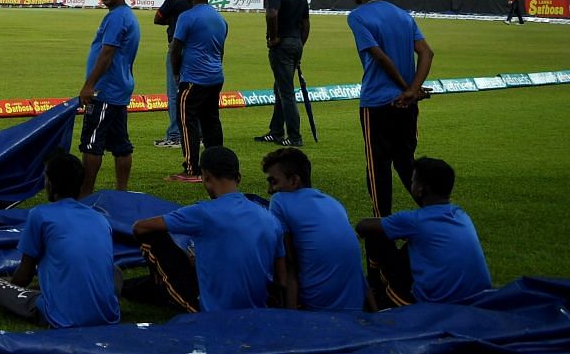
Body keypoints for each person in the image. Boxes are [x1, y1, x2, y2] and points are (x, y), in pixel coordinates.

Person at [0, 153, 121, 328]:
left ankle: (48, 298)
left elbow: (24, 275)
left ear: (50, 183)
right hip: (107, 315)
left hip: (61, 316)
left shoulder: (40, 215)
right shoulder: (100, 218)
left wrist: (10, 287)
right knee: (115, 270)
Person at [132, 147, 285, 313]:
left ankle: (155, 286)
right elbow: (281, 276)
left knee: (152, 237)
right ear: (238, 178)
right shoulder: (269, 218)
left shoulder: (202, 212)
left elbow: (140, 227)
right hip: (259, 306)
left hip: (213, 310)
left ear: (206, 177)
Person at [348, 0, 433, 216]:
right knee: (406, 163)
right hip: (407, 104)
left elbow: (380, 57)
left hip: (377, 103)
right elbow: (426, 53)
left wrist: (408, 88)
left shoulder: (357, 16)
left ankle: (381, 225)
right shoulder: (402, 15)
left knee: (377, 167)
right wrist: (412, 91)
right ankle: (435, 213)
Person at [357, 156, 492, 307]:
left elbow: (363, 226)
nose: (411, 184)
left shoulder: (415, 221)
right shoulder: (461, 215)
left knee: (377, 234)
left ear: (421, 189)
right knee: (411, 247)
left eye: (413, 181)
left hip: (436, 307)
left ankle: (377, 296)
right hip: (478, 300)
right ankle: (378, 290)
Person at [262, 147, 364, 311]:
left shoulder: (279, 201)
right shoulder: (334, 203)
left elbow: (288, 264)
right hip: (354, 307)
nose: (269, 190)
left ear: (294, 180)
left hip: (317, 309)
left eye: (274, 182)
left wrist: (290, 319)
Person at [78, 0, 141, 196]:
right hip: (119, 88)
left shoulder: (116, 17)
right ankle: (121, 192)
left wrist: (89, 85)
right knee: (121, 144)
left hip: (105, 90)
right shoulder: (125, 15)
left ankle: (85, 194)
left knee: (92, 143)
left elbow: (107, 54)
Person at [169, 0, 227, 183]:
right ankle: (218, 167)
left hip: (194, 78)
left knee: (186, 122)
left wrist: (176, 73)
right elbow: (220, 51)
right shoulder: (220, 19)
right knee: (211, 122)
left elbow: (175, 49)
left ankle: (192, 169)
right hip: (215, 77)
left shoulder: (187, 17)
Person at [255, 0, 310, 148]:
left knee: (286, 93)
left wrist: (273, 37)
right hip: (296, 42)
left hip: (283, 45)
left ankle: (294, 137)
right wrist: (300, 44)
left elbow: (272, 15)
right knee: (280, 88)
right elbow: (306, 24)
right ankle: (276, 131)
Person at [150, 0, 199, 149]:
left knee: (174, 93)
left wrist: (171, 20)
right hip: (197, 49)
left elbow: (157, 18)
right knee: (194, 92)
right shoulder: (199, 0)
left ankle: (175, 134)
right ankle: (197, 134)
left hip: (176, 47)